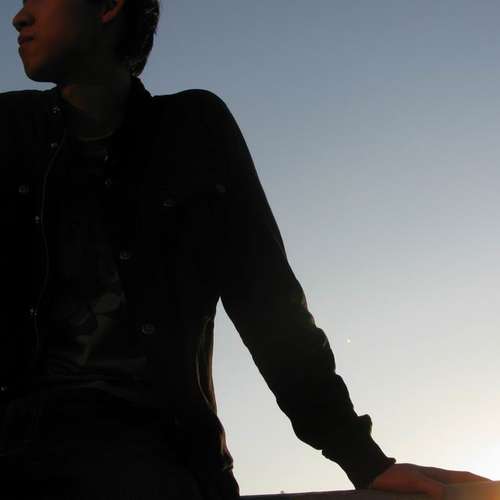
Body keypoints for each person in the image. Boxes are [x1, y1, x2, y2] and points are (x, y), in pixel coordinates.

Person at [1, 0, 490, 499]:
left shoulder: (190, 128)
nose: (20, 17)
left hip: (147, 452)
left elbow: (268, 303)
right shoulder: (9, 127)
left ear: (108, 6)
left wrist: (362, 458)